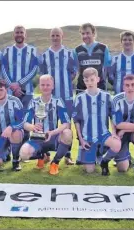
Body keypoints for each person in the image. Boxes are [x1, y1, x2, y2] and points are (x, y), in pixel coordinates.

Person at [19, 75, 73, 175]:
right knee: (23, 154)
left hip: (54, 137)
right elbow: (25, 123)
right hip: (37, 138)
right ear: (39, 86)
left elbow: (65, 123)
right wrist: (32, 127)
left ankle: (55, 163)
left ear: (53, 86)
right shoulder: (34, 102)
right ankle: (42, 156)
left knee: (67, 133)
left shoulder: (58, 101)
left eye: (48, 85)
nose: (45, 87)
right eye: (42, 85)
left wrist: (52, 132)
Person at [39, 27, 79, 165]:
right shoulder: (44, 55)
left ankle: (67, 155)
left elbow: (74, 72)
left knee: (66, 125)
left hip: (66, 95)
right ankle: (46, 153)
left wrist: (64, 82)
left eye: (57, 35)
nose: (55, 37)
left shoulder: (69, 53)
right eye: (53, 35)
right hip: (49, 97)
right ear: (50, 37)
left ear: (62, 36)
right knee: (46, 123)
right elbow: (43, 74)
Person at [72, 68, 121, 174]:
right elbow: (76, 121)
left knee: (117, 144)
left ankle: (104, 160)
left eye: (92, 80)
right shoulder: (79, 98)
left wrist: (113, 132)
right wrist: (81, 140)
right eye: (87, 80)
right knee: (90, 170)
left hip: (103, 134)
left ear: (97, 79)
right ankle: (96, 152)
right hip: (88, 137)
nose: (89, 83)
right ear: (84, 81)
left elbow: (112, 115)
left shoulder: (107, 96)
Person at [0, 78, 25, 171]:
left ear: (6, 90)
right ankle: (5, 153)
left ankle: (15, 161)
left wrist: (11, 127)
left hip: (12, 134)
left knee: (16, 133)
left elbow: (22, 121)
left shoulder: (15, 101)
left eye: (1, 90)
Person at [1, 25, 39, 109]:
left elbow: (34, 69)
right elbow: (4, 70)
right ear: (13, 35)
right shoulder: (7, 50)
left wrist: (18, 84)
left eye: (21, 32)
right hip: (11, 92)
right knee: (11, 119)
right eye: (17, 32)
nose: (19, 34)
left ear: (25, 35)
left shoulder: (32, 50)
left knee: (27, 119)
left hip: (27, 92)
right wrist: (12, 86)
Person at [75, 23, 111, 92]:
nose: (85, 36)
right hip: (82, 88)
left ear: (94, 34)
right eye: (83, 34)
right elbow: (76, 70)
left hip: (99, 87)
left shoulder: (103, 48)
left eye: (88, 33)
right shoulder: (77, 50)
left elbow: (107, 69)